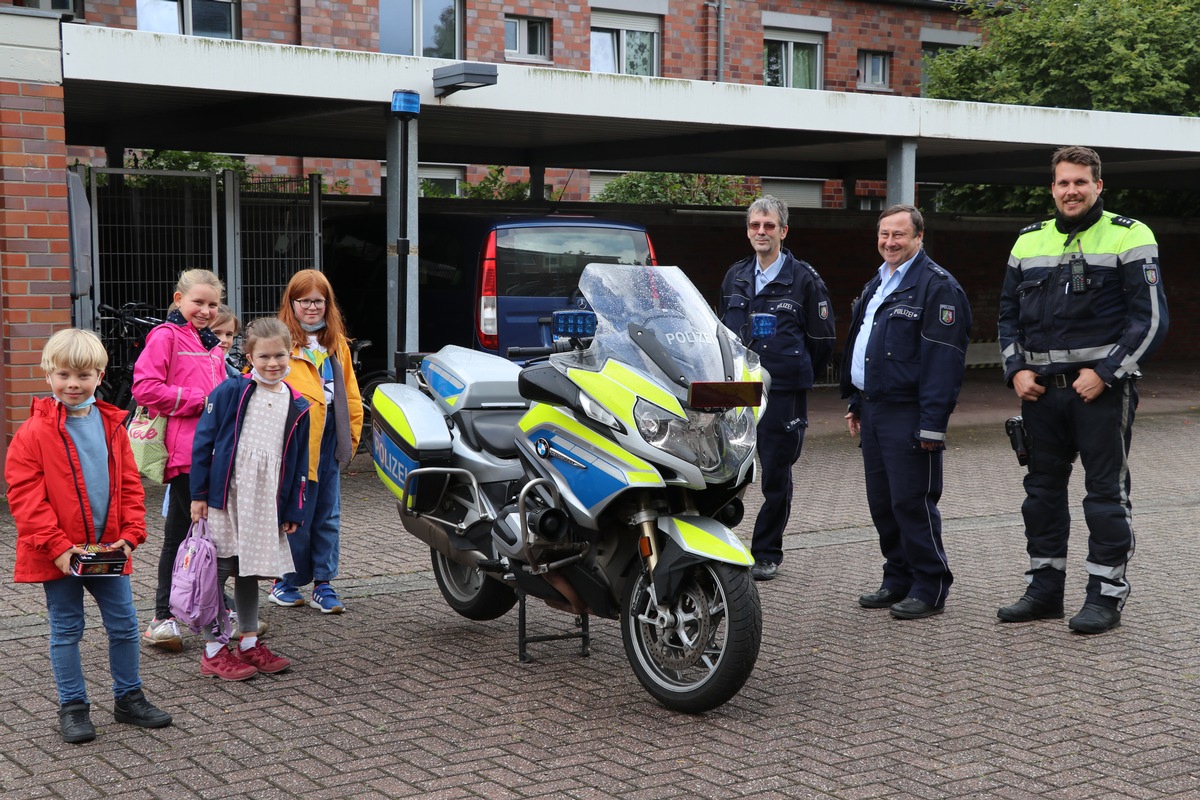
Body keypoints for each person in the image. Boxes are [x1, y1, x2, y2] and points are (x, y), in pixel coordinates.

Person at [997, 146, 1169, 635]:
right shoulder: (1028, 241)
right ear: (1052, 188)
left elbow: (1151, 320)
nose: (1071, 190)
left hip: (1100, 392)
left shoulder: (1130, 235)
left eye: (1080, 182)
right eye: (1063, 183)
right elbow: (1008, 316)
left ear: (1098, 186)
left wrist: (1107, 372)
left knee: (1104, 497)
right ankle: (1044, 590)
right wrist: (1016, 371)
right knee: (1041, 495)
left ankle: (1105, 595)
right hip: (1039, 396)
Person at [8, 329, 173, 743]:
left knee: (124, 626)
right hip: (58, 556)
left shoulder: (113, 425)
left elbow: (130, 484)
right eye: (63, 374)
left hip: (108, 552)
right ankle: (73, 706)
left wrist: (132, 534)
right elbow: (25, 498)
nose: (73, 384)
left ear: (100, 375)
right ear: (48, 375)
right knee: (66, 629)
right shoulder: (33, 432)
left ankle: (128, 698)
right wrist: (59, 548)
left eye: (83, 375)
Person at [841, 205, 971, 620]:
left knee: (913, 502)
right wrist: (856, 401)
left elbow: (943, 363)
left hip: (909, 413)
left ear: (919, 237)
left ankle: (930, 586)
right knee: (883, 502)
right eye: (884, 234)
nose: (890, 242)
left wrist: (932, 425)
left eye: (899, 235)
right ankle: (897, 578)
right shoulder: (878, 282)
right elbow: (865, 347)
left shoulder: (937, 287)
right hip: (875, 409)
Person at [719, 195, 836, 581]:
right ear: (747, 230)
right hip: (738, 392)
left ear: (783, 231)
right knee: (722, 471)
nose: (761, 232)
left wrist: (792, 372)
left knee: (776, 475)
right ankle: (716, 549)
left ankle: (767, 552)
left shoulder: (805, 279)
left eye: (769, 226)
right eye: (755, 225)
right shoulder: (735, 275)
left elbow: (822, 342)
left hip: (782, 392)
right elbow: (722, 333)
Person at [190, 318, 311, 680]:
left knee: (250, 569)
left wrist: (293, 507)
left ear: (290, 353)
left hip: (264, 500)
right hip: (226, 495)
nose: (272, 363)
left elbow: (298, 460)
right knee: (220, 570)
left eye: (279, 356)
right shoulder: (231, 391)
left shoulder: (297, 403)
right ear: (249, 356)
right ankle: (213, 649)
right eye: (264, 357)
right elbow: (203, 443)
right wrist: (198, 494)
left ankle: (247, 641)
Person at [132, 269, 228, 651]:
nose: (205, 310)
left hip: (218, 453)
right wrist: (199, 402)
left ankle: (212, 606)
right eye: (198, 302)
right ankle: (162, 616)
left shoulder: (213, 346)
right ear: (178, 299)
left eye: (212, 305)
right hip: (187, 455)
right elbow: (145, 388)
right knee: (179, 535)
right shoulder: (165, 336)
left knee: (213, 537)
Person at [271, 269, 363, 613]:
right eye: (304, 301)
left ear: (328, 304)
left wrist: (350, 438)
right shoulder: (281, 343)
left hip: (329, 442)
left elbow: (350, 394)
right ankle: (286, 580)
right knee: (296, 514)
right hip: (295, 445)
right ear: (291, 303)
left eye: (318, 301)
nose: (312, 308)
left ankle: (324, 584)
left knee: (328, 514)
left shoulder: (336, 343)